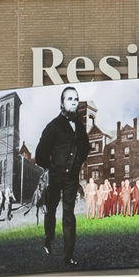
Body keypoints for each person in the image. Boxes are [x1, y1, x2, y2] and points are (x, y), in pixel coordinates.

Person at [33, 86, 89, 266]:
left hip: (72, 178)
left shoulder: (80, 127)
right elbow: (40, 154)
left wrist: (77, 164)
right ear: (61, 103)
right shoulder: (53, 126)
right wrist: (51, 167)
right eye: (69, 99)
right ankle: (48, 240)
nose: (73, 102)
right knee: (51, 210)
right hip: (55, 177)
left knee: (69, 214)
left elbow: (85, 149)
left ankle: (68, 255)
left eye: (76, 99)